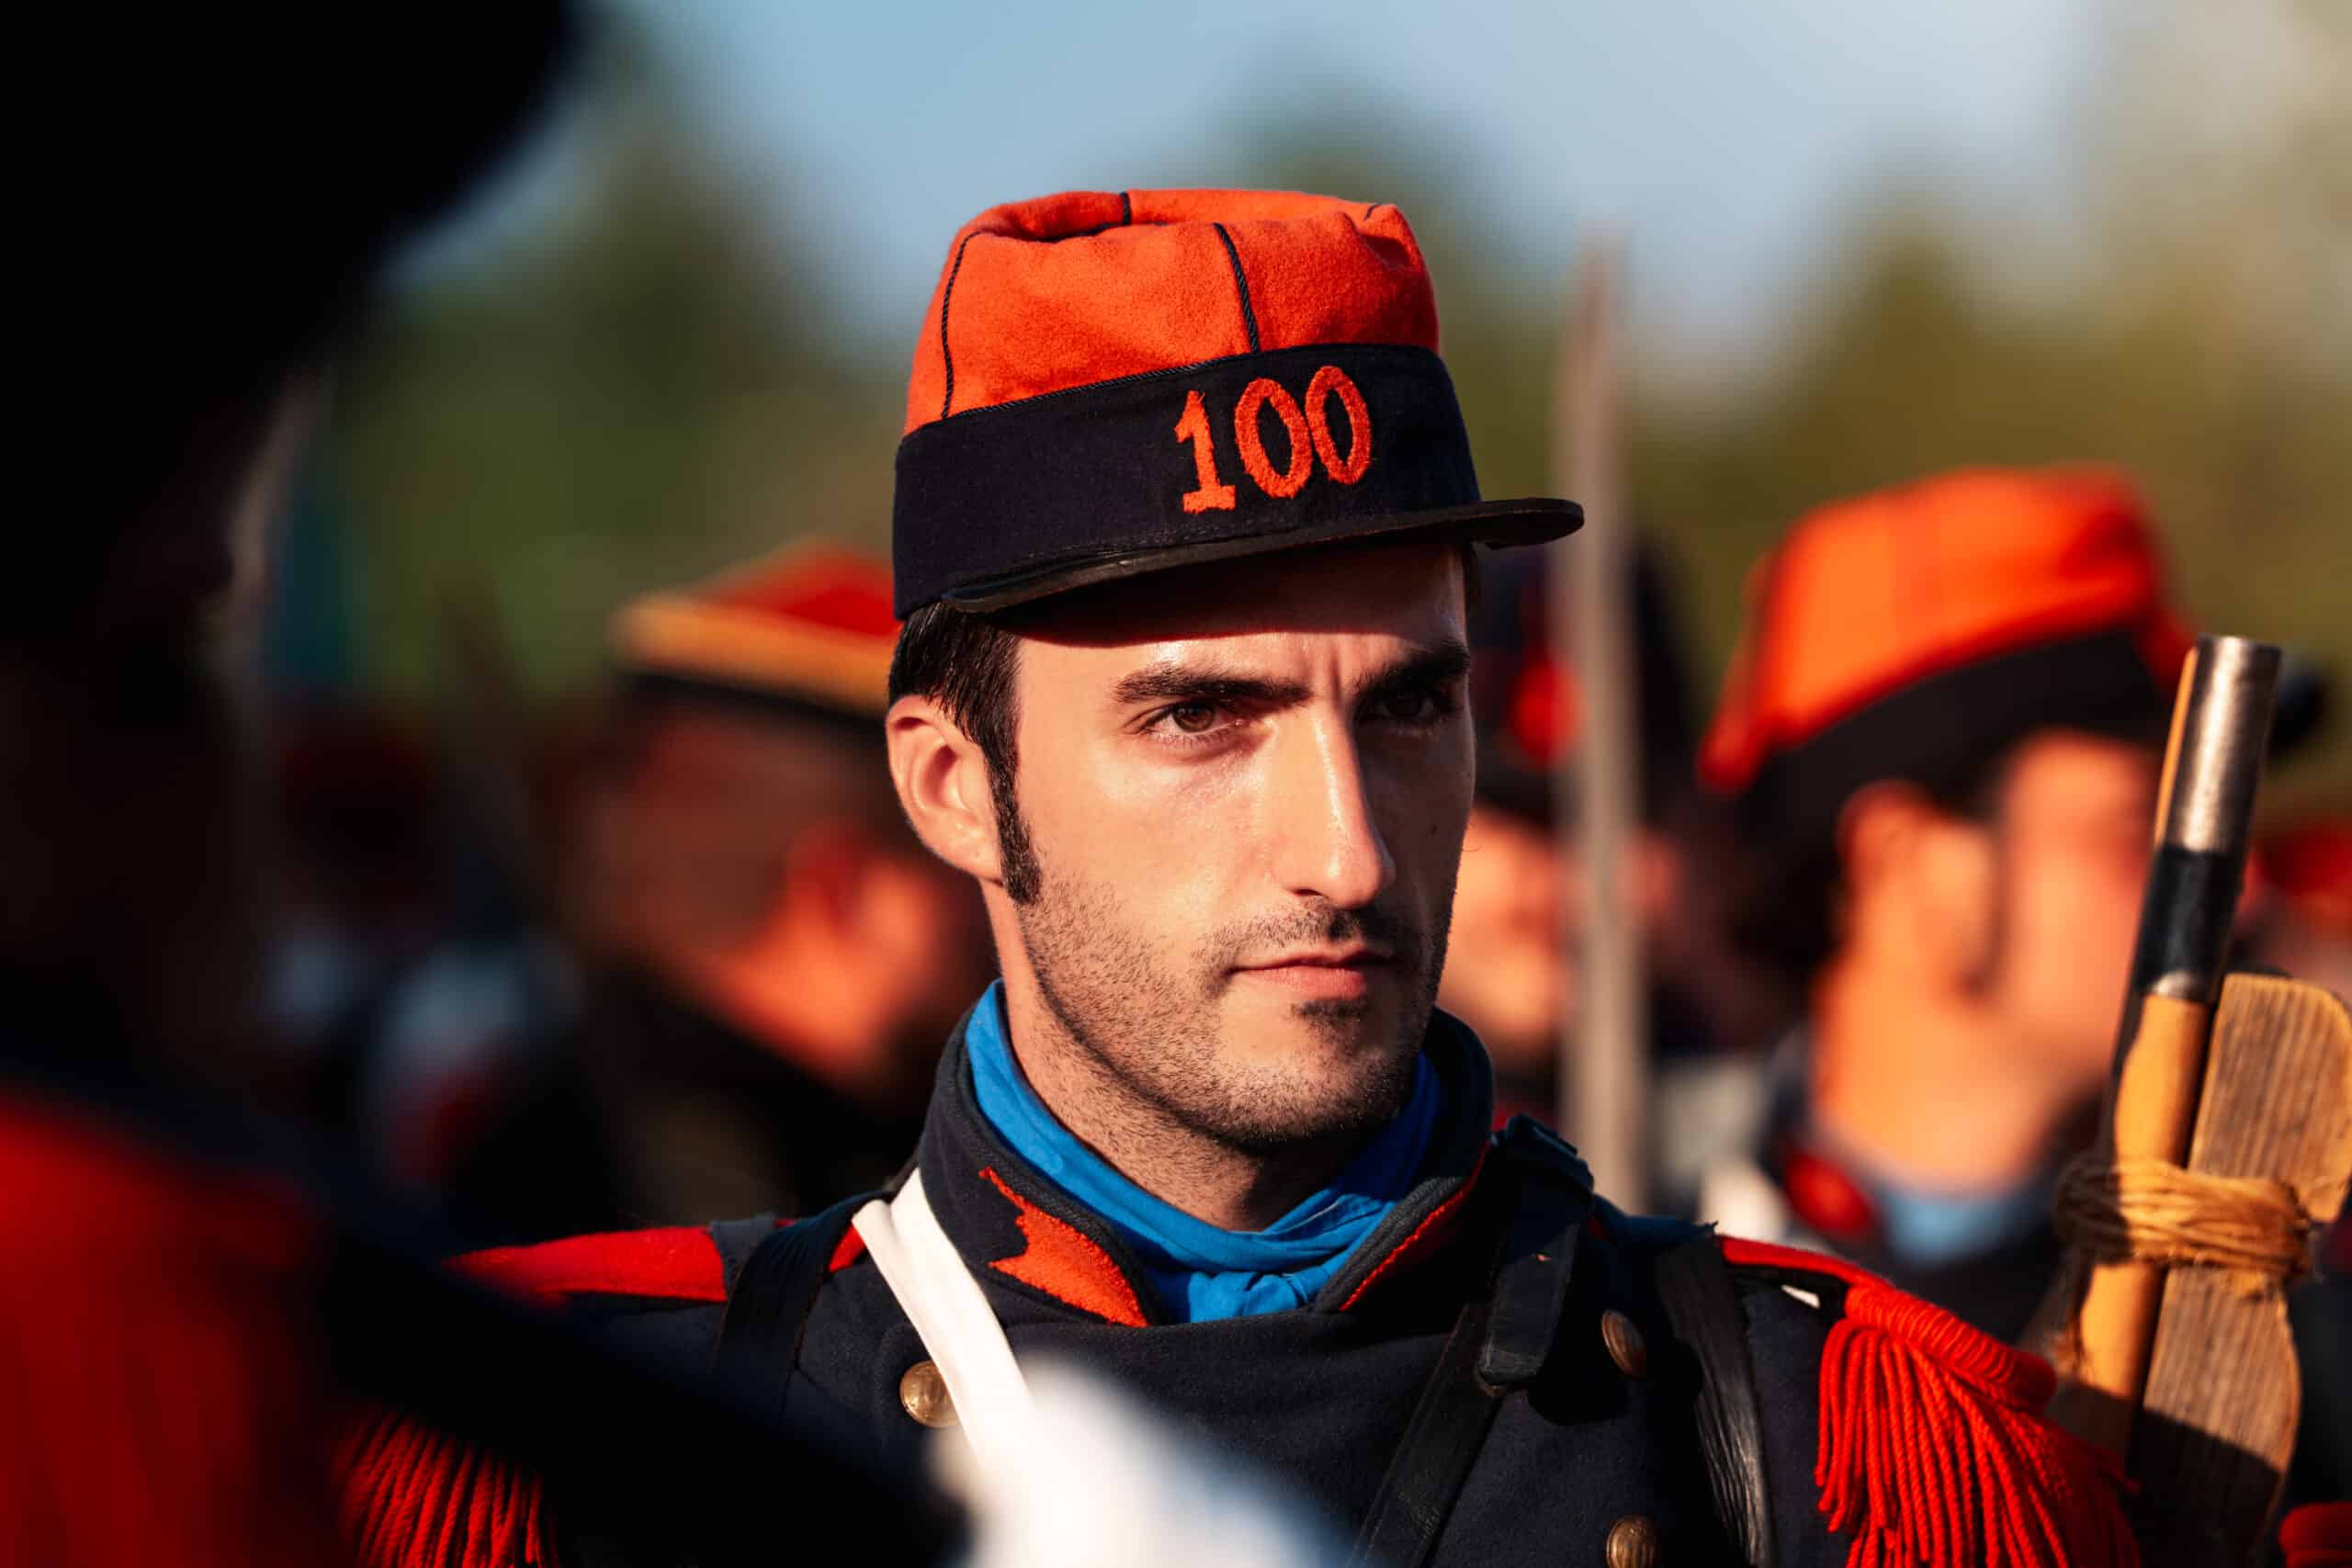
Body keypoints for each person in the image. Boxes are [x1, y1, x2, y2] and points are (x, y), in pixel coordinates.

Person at [353, 190, 2138, 1568]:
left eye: (1412, 703)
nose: (1348, 850)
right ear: (952, 782)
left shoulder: (1834, 1447)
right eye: (1203, 714)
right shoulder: (572, 1447)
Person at [1690, 468, 2216, 1341]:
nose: (2239, 896)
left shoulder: (2281, 1331)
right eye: (2137, 825)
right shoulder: (1639, 1324)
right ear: (1911, 867)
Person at [559, 543, 993, 1222]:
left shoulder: (576, 1107)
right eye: (968, 841)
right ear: (843, 887)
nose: (1005, 889)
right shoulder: (763, 1201)